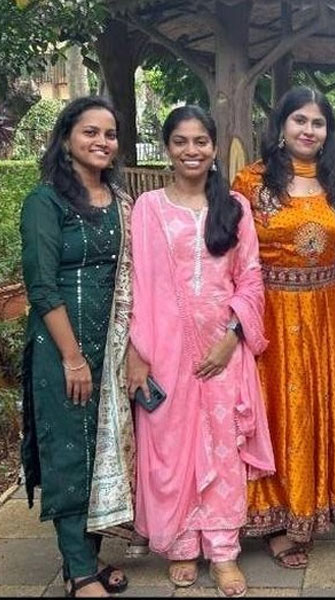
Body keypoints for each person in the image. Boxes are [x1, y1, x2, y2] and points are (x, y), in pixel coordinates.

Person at [127, 106, 275, 597]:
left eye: (200, 142)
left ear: (214, 147)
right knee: (169, 448)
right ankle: (182, 544)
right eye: (181, 142)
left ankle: (224, 551)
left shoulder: (234, 208)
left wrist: (232, 338)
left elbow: (250, 279)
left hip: (222, 352)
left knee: (223, 450)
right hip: (164, 350)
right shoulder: (148, 208)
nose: (191, 151)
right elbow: (138, 283)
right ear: (167, 148)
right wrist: (138, 351)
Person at [232, 86, 335, 568]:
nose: (309, 130)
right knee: (274, 411)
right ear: (282, 126)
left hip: (325, 314)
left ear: (328, 132)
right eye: (299, 120)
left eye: (318, 122)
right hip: (271, 313)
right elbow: (230, 251)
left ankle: (308, 509)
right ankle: (271, 518)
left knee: (315, 409)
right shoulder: (251, 182)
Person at [20, 96, 133, 597]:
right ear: (66, 138)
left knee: (100, 452)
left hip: (111, 343)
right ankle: (80, 572)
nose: (102, 142)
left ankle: (86, 556)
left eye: (109, 134)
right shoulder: (45, 202)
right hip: (62, 348)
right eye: (90, 132)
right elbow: (42, 286)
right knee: (69, 453)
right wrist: (71, 357)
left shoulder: (119, 201)